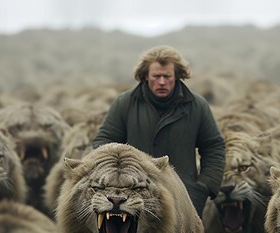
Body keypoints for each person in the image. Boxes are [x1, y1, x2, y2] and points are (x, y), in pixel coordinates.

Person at [92, 45, 225, 216]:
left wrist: (204, 188)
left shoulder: (197, 105)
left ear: (177, 76)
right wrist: (115, 181)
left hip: (184, 199)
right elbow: (103, 142)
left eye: (167, 76)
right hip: (133, 199)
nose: (162, 81)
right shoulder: (125, 103)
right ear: (145, 76)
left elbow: (214, 146)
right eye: (156, 76)